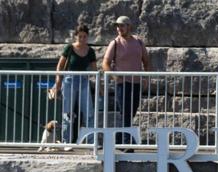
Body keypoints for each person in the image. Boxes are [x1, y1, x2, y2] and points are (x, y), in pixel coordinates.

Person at [101, 15, 150, 145]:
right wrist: (114, 76)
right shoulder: (115, 43)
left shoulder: (139, 42)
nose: (119, 28)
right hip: (122, 84)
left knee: (131, 112)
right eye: (117, 26)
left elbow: (146, 61)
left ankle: (119, 139)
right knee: (126, 112)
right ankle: (127, 143)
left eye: (122, 25)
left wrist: (145, 77)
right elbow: (105, 63)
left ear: (129, 26)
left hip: (136, 83)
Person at [48, 24, 96, 144]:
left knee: (89, 113)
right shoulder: (69, 48)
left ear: (87, 37)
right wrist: (58, 82)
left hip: (84, 81)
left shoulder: (90, 51)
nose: (82, 39)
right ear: (75, 36)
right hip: (69, 80)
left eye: (84, 36)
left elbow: (94, 69)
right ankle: (66, 142)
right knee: (68, 114)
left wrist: (100, 85)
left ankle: (91, 142)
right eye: (80, 36)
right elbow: (60, 65)